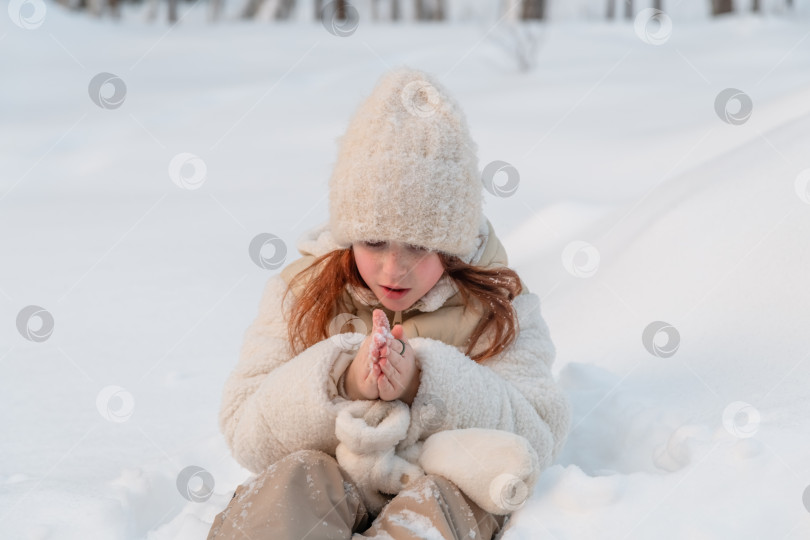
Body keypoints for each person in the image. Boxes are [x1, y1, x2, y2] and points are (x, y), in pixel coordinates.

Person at [206, 66, 571, 540]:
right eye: (374, 241)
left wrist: (424, 381)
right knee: (292, 484)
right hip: (331, 475)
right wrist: (343, 380)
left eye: (420, 245)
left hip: (444, 481)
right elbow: (245, 428)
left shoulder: (499, 306)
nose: (393, 269)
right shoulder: (299, 293)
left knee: (445, 498)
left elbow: (537, 434)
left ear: (452, 244)